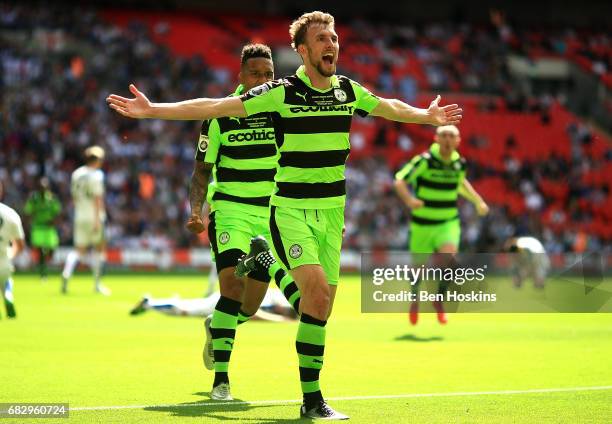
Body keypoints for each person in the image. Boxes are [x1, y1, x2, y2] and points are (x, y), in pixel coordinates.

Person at [107, 11, 462, 420]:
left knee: (321, 306)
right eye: (322, 38)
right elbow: (216, 105)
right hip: (289, 210)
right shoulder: (281, 92)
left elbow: (388, 106)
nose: (331, 44)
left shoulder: (347, 90)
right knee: (311, 294)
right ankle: (312, 400)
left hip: (333, 212)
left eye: (334, 37)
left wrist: (426, 116)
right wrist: (153, 111)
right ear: (302, 50)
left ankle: (296, 379)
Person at [185, 44, 301, 401]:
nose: (264, 80)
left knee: (248, 308)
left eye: (269, 74)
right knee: (231, 290)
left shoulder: (281, 113)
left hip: (269, 216)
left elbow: (297, 165)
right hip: (231, 212)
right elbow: (202, 171)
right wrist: (195, 211)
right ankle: (221, 380)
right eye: (256, 74)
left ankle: (216, 325)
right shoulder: (220, 115)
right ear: (241, 77)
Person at [394, 125, 488, 325]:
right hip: (422, 224)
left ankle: (438, 301)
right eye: (443, 135)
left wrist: (478, 201)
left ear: (458, 141)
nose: (447, 139)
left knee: (449, 259)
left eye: (451, 136)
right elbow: (400, 181)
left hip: (447, 222)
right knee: (417, 269)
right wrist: (410, 201)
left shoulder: (459, 164)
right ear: (436, 139)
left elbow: (460, 184)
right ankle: (414, 299)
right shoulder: (425, 161)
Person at [61, 146, 111, 295]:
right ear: (97, 160)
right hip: (94, 216)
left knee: (79, 250)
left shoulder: (76, 174)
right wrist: (98, 219)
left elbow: (74, 198)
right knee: (99, 249)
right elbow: (97, 198)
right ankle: (97, 284)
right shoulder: (97, 175)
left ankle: (67, 272)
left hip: (79, 216)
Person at [130, 288, 297, 321]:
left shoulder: (273, 297)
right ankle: (150, 304)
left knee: (189, 306)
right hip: (226, 301)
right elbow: (251, 313)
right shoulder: (273, 299)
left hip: (226, 298)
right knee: (186, 310)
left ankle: (151, 303)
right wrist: (277, 320)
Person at [24, 177, 61, 282]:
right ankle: (43, 273)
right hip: (38, 227)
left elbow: (58, 212)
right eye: (41, 187)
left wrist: (54, 221)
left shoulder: (52, 198)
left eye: (44, 187)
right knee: (40, 251)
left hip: (49, 228)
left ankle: (44, 264)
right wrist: (27, 226)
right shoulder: (34, 198)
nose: (43, 189)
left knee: (51, 249)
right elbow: (28, 212)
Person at [0, 182, 26, 319]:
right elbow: (20, 245)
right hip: (4, 259)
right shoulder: (11, 214)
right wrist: (11, 255)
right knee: (6, 279)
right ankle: (8, 295)